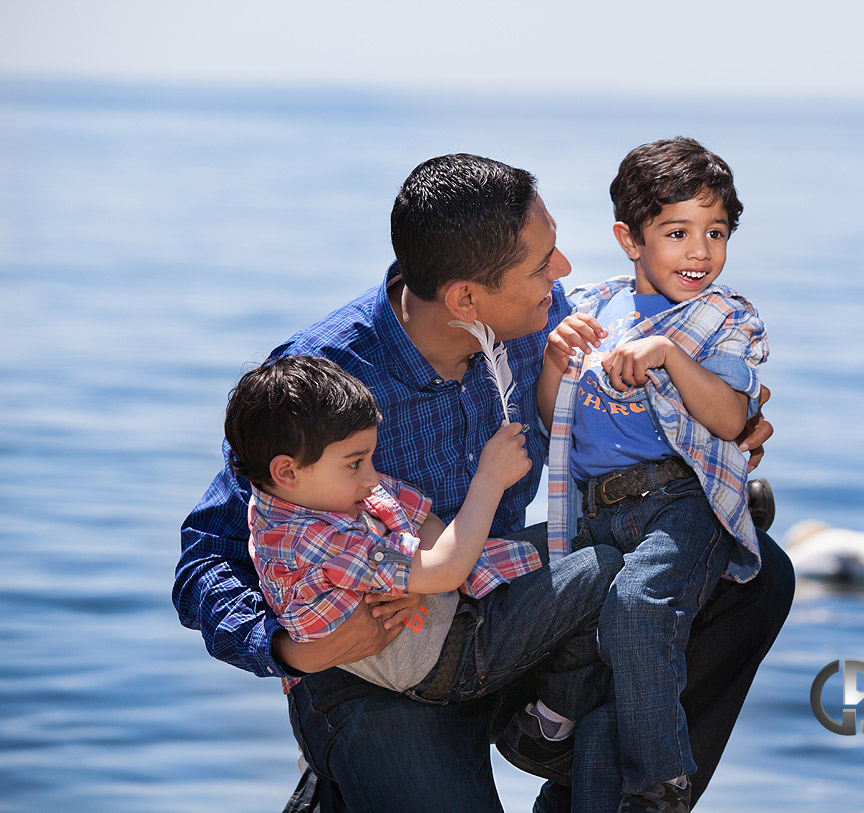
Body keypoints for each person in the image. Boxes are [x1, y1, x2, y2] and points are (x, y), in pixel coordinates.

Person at [173, 152, 794, 812]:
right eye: (541, 265)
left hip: (502, 582)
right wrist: (289, 648)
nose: (562, 274)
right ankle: (341, 787)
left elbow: (644, 392)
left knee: (748, 571)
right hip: (380, 656)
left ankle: (603, 783)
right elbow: (206, 559)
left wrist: (723, 427)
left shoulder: (551, 322)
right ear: (466, 298)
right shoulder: (319, 380)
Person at [226, 354, 622, 788]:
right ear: (286, 471)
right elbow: (446, 569)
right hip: (446, 657)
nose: (371, 476)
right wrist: (488, 480)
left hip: (446, 608)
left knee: (577, 538)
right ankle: (549, 726)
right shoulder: (308, 537)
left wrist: (422, 571)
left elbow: (421, 519)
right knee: (600, 568)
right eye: (356, 462)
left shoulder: (322, 494)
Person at [537, 137, 766, 812]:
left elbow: (730, 417)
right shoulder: (589, 307)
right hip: (598, 510)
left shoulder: (721, 318)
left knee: (639, 607)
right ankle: (561, 703)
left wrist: (669, 354)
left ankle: (659, 779)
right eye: (676, 232)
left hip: (680, 504)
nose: (700, 252)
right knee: (580, 611)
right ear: (629, 238)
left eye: (715, 232)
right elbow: (558, 418)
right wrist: (554, 361)